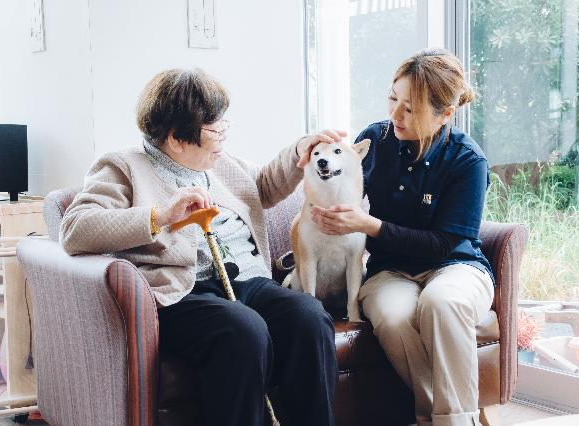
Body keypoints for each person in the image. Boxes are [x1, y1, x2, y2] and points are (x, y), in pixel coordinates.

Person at [60, 68, 340, 426]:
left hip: (250, 283)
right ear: (176, 138)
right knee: (243, 330)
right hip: (184, 294)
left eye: (224, 125)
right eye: (214, 129)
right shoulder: (122, 167)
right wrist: (160, 215)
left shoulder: (222, 164)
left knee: (309, 317)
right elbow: (75, 228)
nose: (223, 136)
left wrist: (300, 151)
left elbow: (265, 186)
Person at [311, 49, 495, 426]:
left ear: (445, 114)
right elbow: (332, 184)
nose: (394, 115)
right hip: (389, 270)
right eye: (393, 99)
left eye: (410, 109)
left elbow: (444, 243)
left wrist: (369, 225)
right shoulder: (375, 140)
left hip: (456, 266)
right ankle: (436, 418)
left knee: (441, 303)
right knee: (393, 317)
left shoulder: (467, 160)